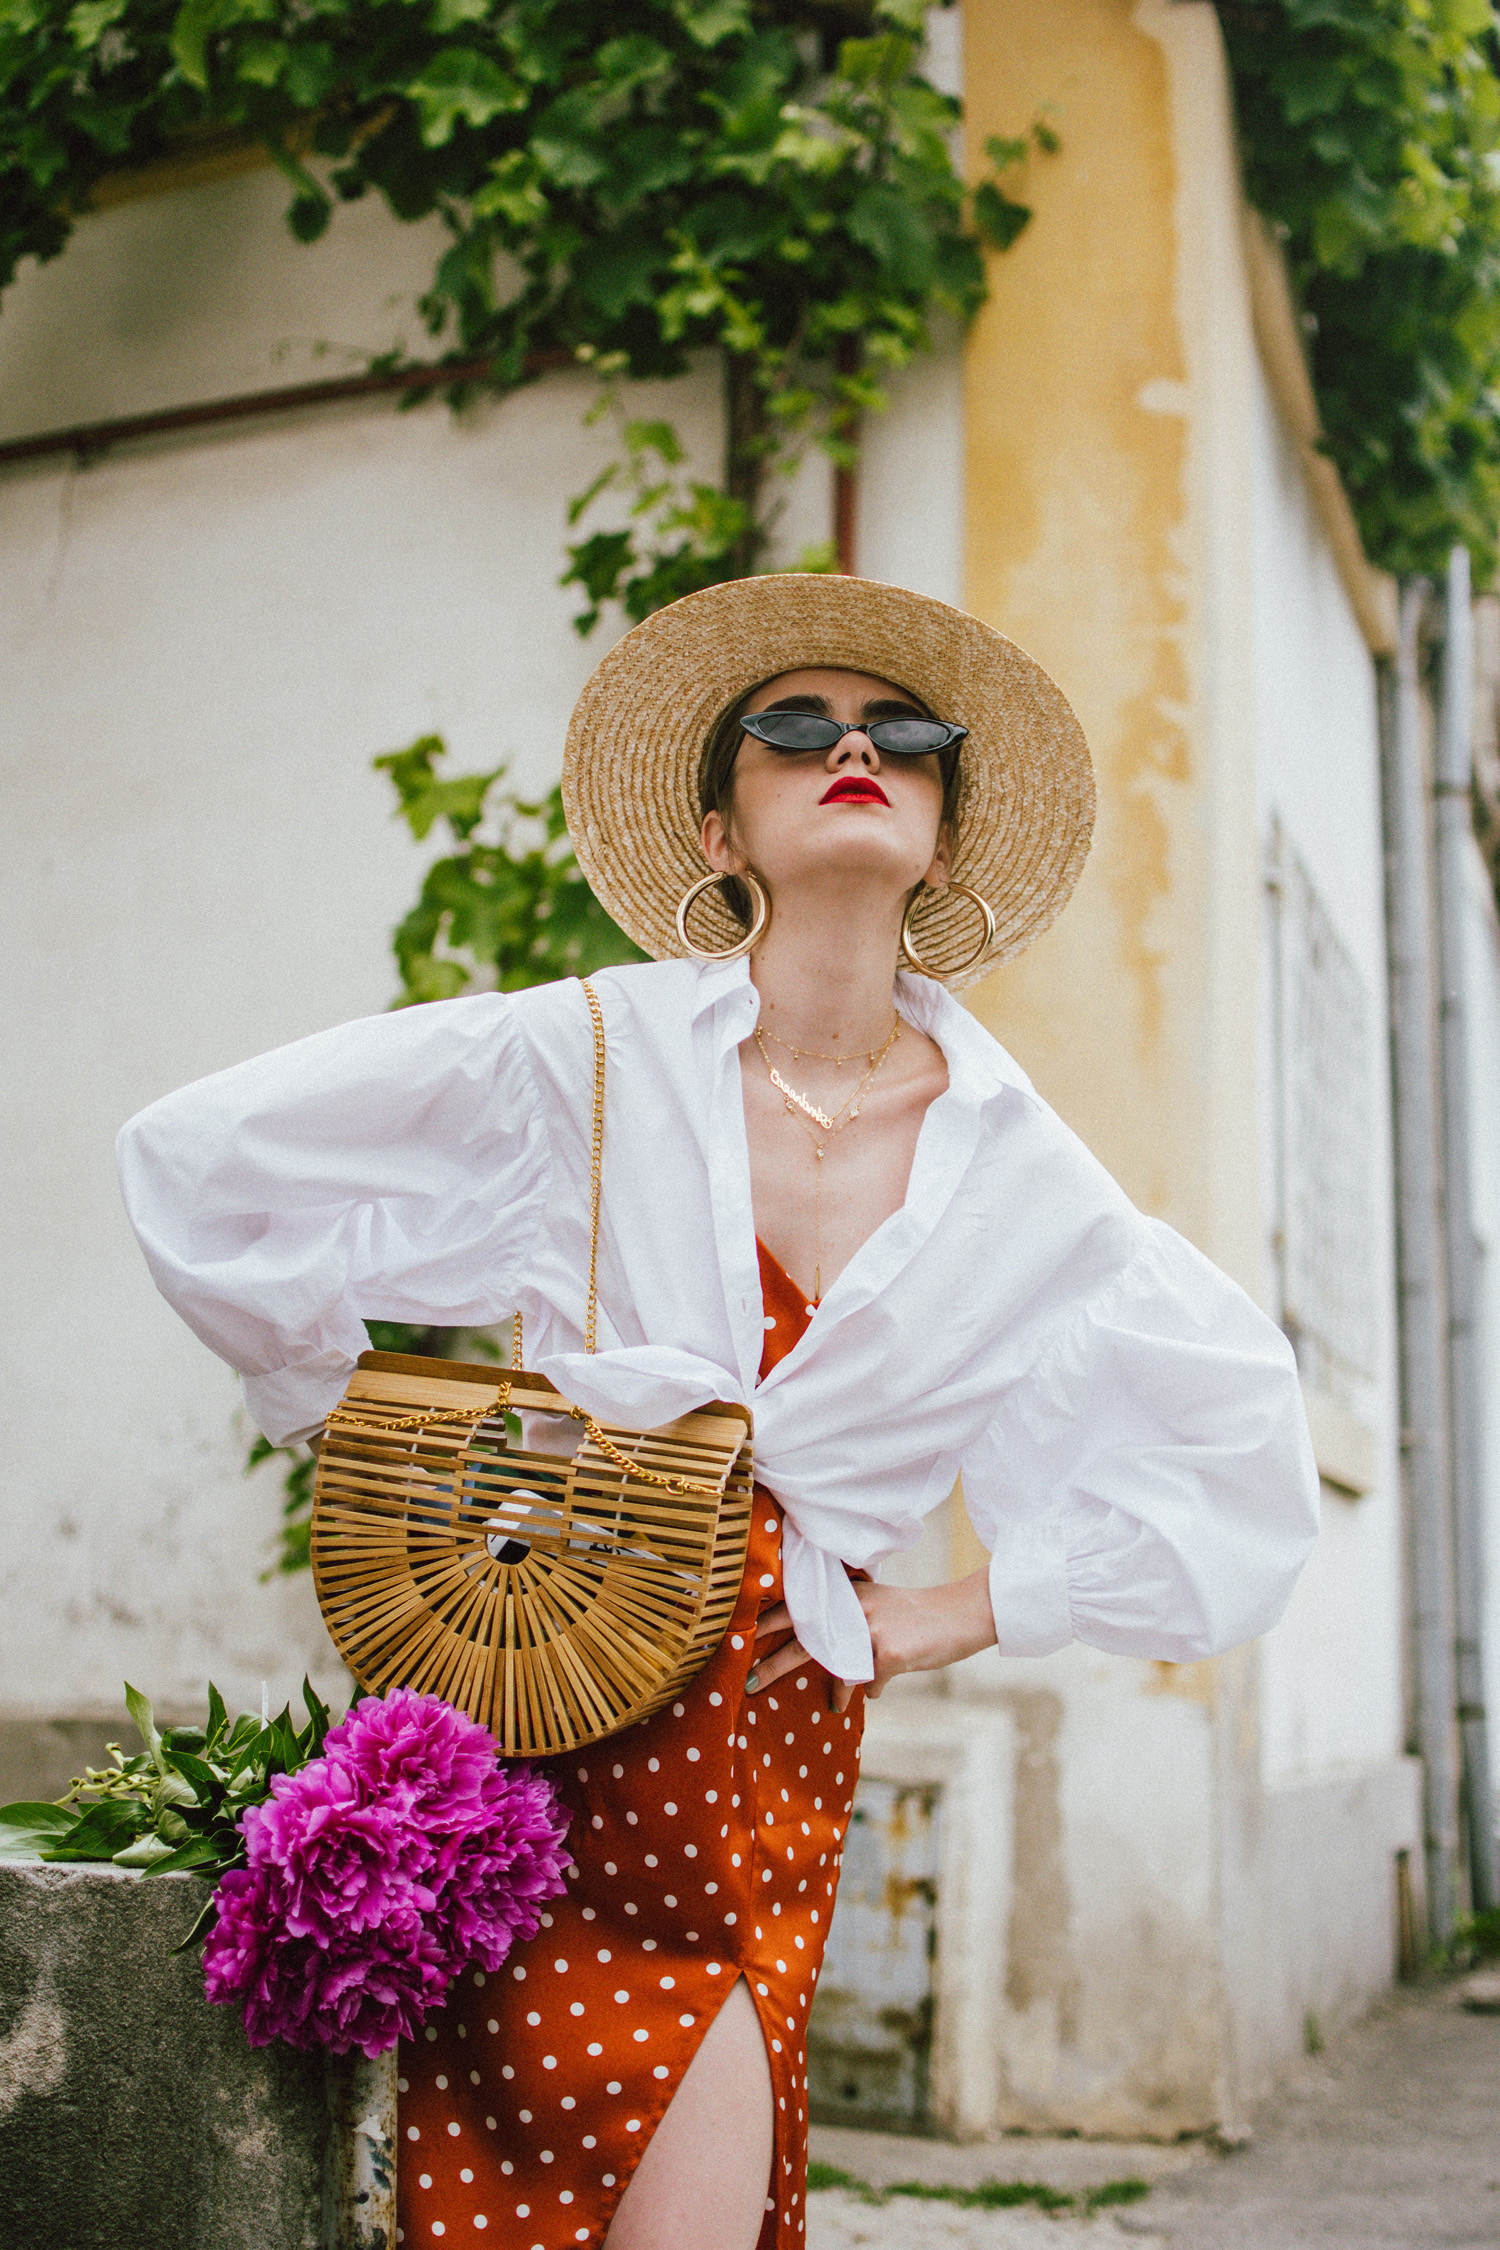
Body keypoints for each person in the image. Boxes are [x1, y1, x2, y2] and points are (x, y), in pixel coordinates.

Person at [116, 573, 1319, 2250]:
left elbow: (1243, 1459)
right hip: (541, 1713)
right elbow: (207, 1161)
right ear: (718, 821)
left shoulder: (1026, 1179)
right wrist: (374, 1427)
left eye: (904, 735)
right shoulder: (588, 1059)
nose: (854, 750)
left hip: (765, 1742)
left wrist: (951, 1612)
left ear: (948, 840)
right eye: (796, 728)